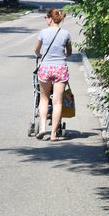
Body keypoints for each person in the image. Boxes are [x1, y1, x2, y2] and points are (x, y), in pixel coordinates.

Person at [34, 8, 72, 140]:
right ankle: (54, 134)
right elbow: (69, 52)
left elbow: (36, 50)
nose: (45, 19)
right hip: (60, 68)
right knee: (57, 102)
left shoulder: (43, 33)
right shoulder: (66, 34)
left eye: (46, 17)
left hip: (45, 68)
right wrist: (63, 56)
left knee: (44, 98)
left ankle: (43, 128)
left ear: (50, 18)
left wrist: (39, 55)